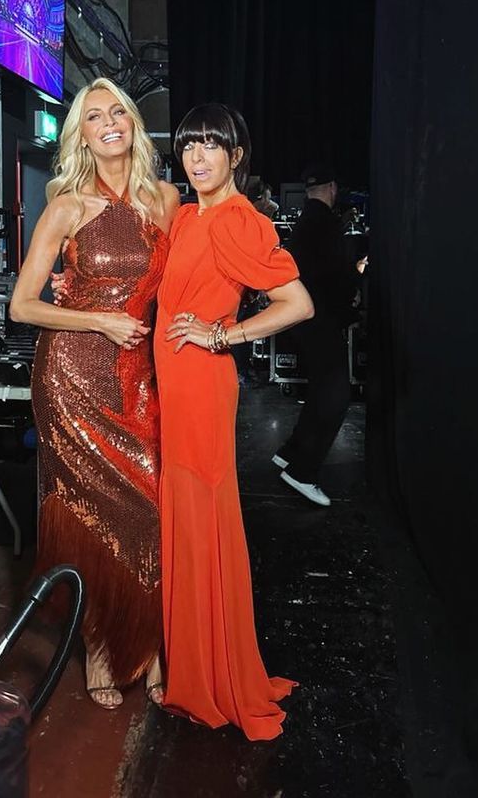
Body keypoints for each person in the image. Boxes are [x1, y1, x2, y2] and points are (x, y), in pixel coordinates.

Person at [9, 78, 180, 709]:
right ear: (80, 133)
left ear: (133, 125)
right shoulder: (67, 206)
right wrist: (99, 321)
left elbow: (184, 284)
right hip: (74, 377)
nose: (109, 123)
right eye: (93, 117)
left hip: (140, 382)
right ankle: (105, 651)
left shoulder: (165, 200)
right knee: (93, 522)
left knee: (150, 515)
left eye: (118, 114)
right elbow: (23, 306)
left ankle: (152, 644)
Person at [154, 103, 314, 741]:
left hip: (200, 385)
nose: (197, 158)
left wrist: (227, 335)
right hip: (174, 383)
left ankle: (208, 676)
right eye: (190, 145)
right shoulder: (189, 214)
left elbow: (297, 303)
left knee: (200, 518)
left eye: (211, 147)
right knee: (189, 521)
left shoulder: (236, 222)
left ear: (236, 156)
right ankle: (195, 662)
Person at [272, 163, 366, 506]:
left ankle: (290, 453)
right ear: (333, 188)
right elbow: (338, 277)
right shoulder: (326, 224)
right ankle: (303, 471)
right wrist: (356, 278)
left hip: (305, 321)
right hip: (320, 320)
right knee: (336, 395)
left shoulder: (306, 222)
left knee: (321, 391)